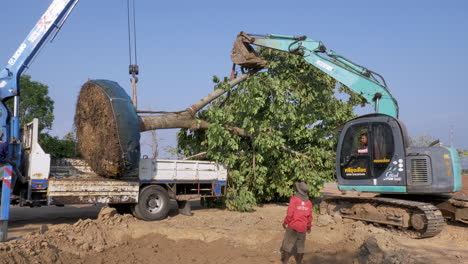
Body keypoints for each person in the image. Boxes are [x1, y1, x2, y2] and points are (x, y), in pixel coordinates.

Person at [281, 182, 313, 264]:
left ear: (298, 190)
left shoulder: (294, 199)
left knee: (287, 244)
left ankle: (285, 261)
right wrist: (308, 227)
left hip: (293, 226)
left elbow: (290, 213)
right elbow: (309, 217)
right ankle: (299, 262)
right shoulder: (309, 203)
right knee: (301, 246)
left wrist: (285, 222)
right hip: (303, 227)